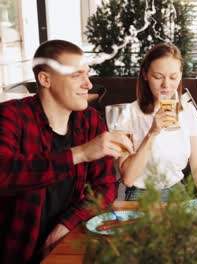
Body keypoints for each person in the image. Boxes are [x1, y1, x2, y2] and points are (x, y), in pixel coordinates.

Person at [0, 40, 133, 263]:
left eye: (87, 74)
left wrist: (65, 225)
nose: (88, 84)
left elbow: (106, 186)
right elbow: (4, 173)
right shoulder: (12, 116)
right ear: (45, 79)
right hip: (16, 252)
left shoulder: (89, 120)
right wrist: (79, 154)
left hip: (70, 243)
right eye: (76, 75)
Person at [118, 43, 197, 201]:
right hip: (140, 196)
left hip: (177, 193)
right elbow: (128, 178)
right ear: (145, 75)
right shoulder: (128, 115)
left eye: (173, 77)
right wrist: (153, 132)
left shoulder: (188, 111)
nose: (166, 85)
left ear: (180, 75)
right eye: (158, 77)